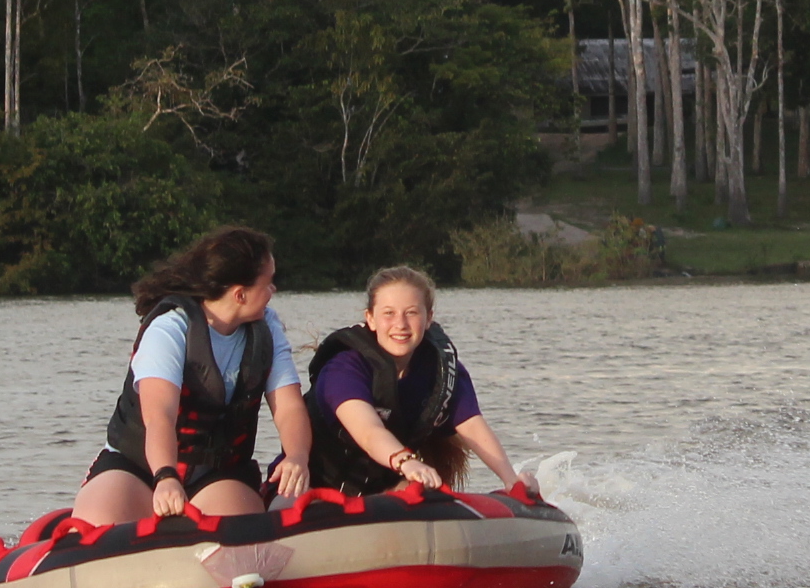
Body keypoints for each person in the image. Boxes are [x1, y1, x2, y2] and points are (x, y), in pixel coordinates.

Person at [71, 225, 313, 527]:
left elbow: (289, 406)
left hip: (218, 471)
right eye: (268, 283)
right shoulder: (169, 329)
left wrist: (297, 456)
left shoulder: (268, 329)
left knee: (235, 532)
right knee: (98, 523)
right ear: (239, 294)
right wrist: (166, 476)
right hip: (141, 465)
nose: (273, 291)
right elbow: (159, 416)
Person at [303, 265, 528, 498]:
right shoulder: (343, 369)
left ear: (429, 318)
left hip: (385, 488)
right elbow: (368, 432)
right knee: (286, 501)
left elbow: (472, 427)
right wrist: (407, 462)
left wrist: (512, 481)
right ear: (370, 318)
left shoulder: (442, 371)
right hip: (312, 484)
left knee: (420, 494)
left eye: (411, 312)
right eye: (388, 313)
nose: (400, 324)